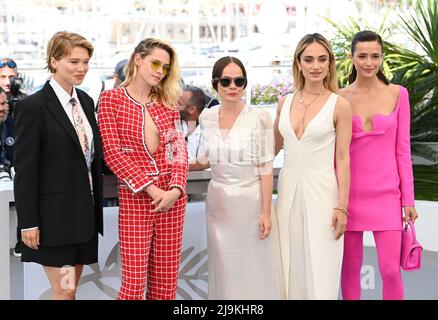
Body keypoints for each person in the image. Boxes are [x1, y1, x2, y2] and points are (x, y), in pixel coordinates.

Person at [14, 31, 103, 300]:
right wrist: (28, 222)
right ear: (54, 62)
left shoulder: (86, 101)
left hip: (83, 217)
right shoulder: (33, 106)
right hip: (54, 222)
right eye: (73, 61)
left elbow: (89, 156)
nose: (82, 68)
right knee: (64, 291)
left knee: (69, 291)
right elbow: (26, 169)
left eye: (86, 61)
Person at [98, 38, 188, 300]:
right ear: (138, 59)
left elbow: (178, 151)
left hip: (172, 202)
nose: (160, 71)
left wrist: (176, 189)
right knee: (133, 287)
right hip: (136, 198)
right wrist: (151, 189)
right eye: (155, 63)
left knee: (165, 286)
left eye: (165, 67)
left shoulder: (167, 103)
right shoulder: (111, 99)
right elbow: (112, 154)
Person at [195, 56, 283, 299]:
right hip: (218, 204)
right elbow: (205, 159)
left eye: (239, 80)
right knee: (223, 268)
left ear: (245, 84)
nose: (233, 86)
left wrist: (266, 211)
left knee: (255, 265)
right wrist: (170, 163)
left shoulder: (260, 118)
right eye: (226, 81)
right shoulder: (206, 117)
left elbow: (266, 167)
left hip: (251, 203)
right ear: (216, 84)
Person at [339, 30, 419, 300]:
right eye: (362, 56)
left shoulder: (399, 94)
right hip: (348, 194)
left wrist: (408, 199)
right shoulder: (339, 97)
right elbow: (335, 153)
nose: (369, 62)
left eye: (375, 56)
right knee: (350, 268)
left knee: (390, 270)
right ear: (351, 57)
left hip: (387, 194)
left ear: (382, 57)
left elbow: (403, 150)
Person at [273, 33, 352, 299]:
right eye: (309, 59)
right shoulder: (283, 102)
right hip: (287, 190)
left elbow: (343, 158)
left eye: (322, 59)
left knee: (322, 263)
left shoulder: (340, 104)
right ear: (298, 63)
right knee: (288, 261)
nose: (315, 65)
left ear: (330, 63)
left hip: (323, 192)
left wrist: (342, 206)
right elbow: (270, 152)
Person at [0, 57, 26, 257]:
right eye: (2, 77)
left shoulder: (25, 102)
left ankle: (22, 239)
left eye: (11, 76)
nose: (7, 81)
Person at [177, 85, 206, 170]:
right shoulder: (173, 126)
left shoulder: (208, 131)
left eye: (179, 104)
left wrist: (177, 167)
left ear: (192, 110)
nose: (174, 106)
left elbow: (205, 162)